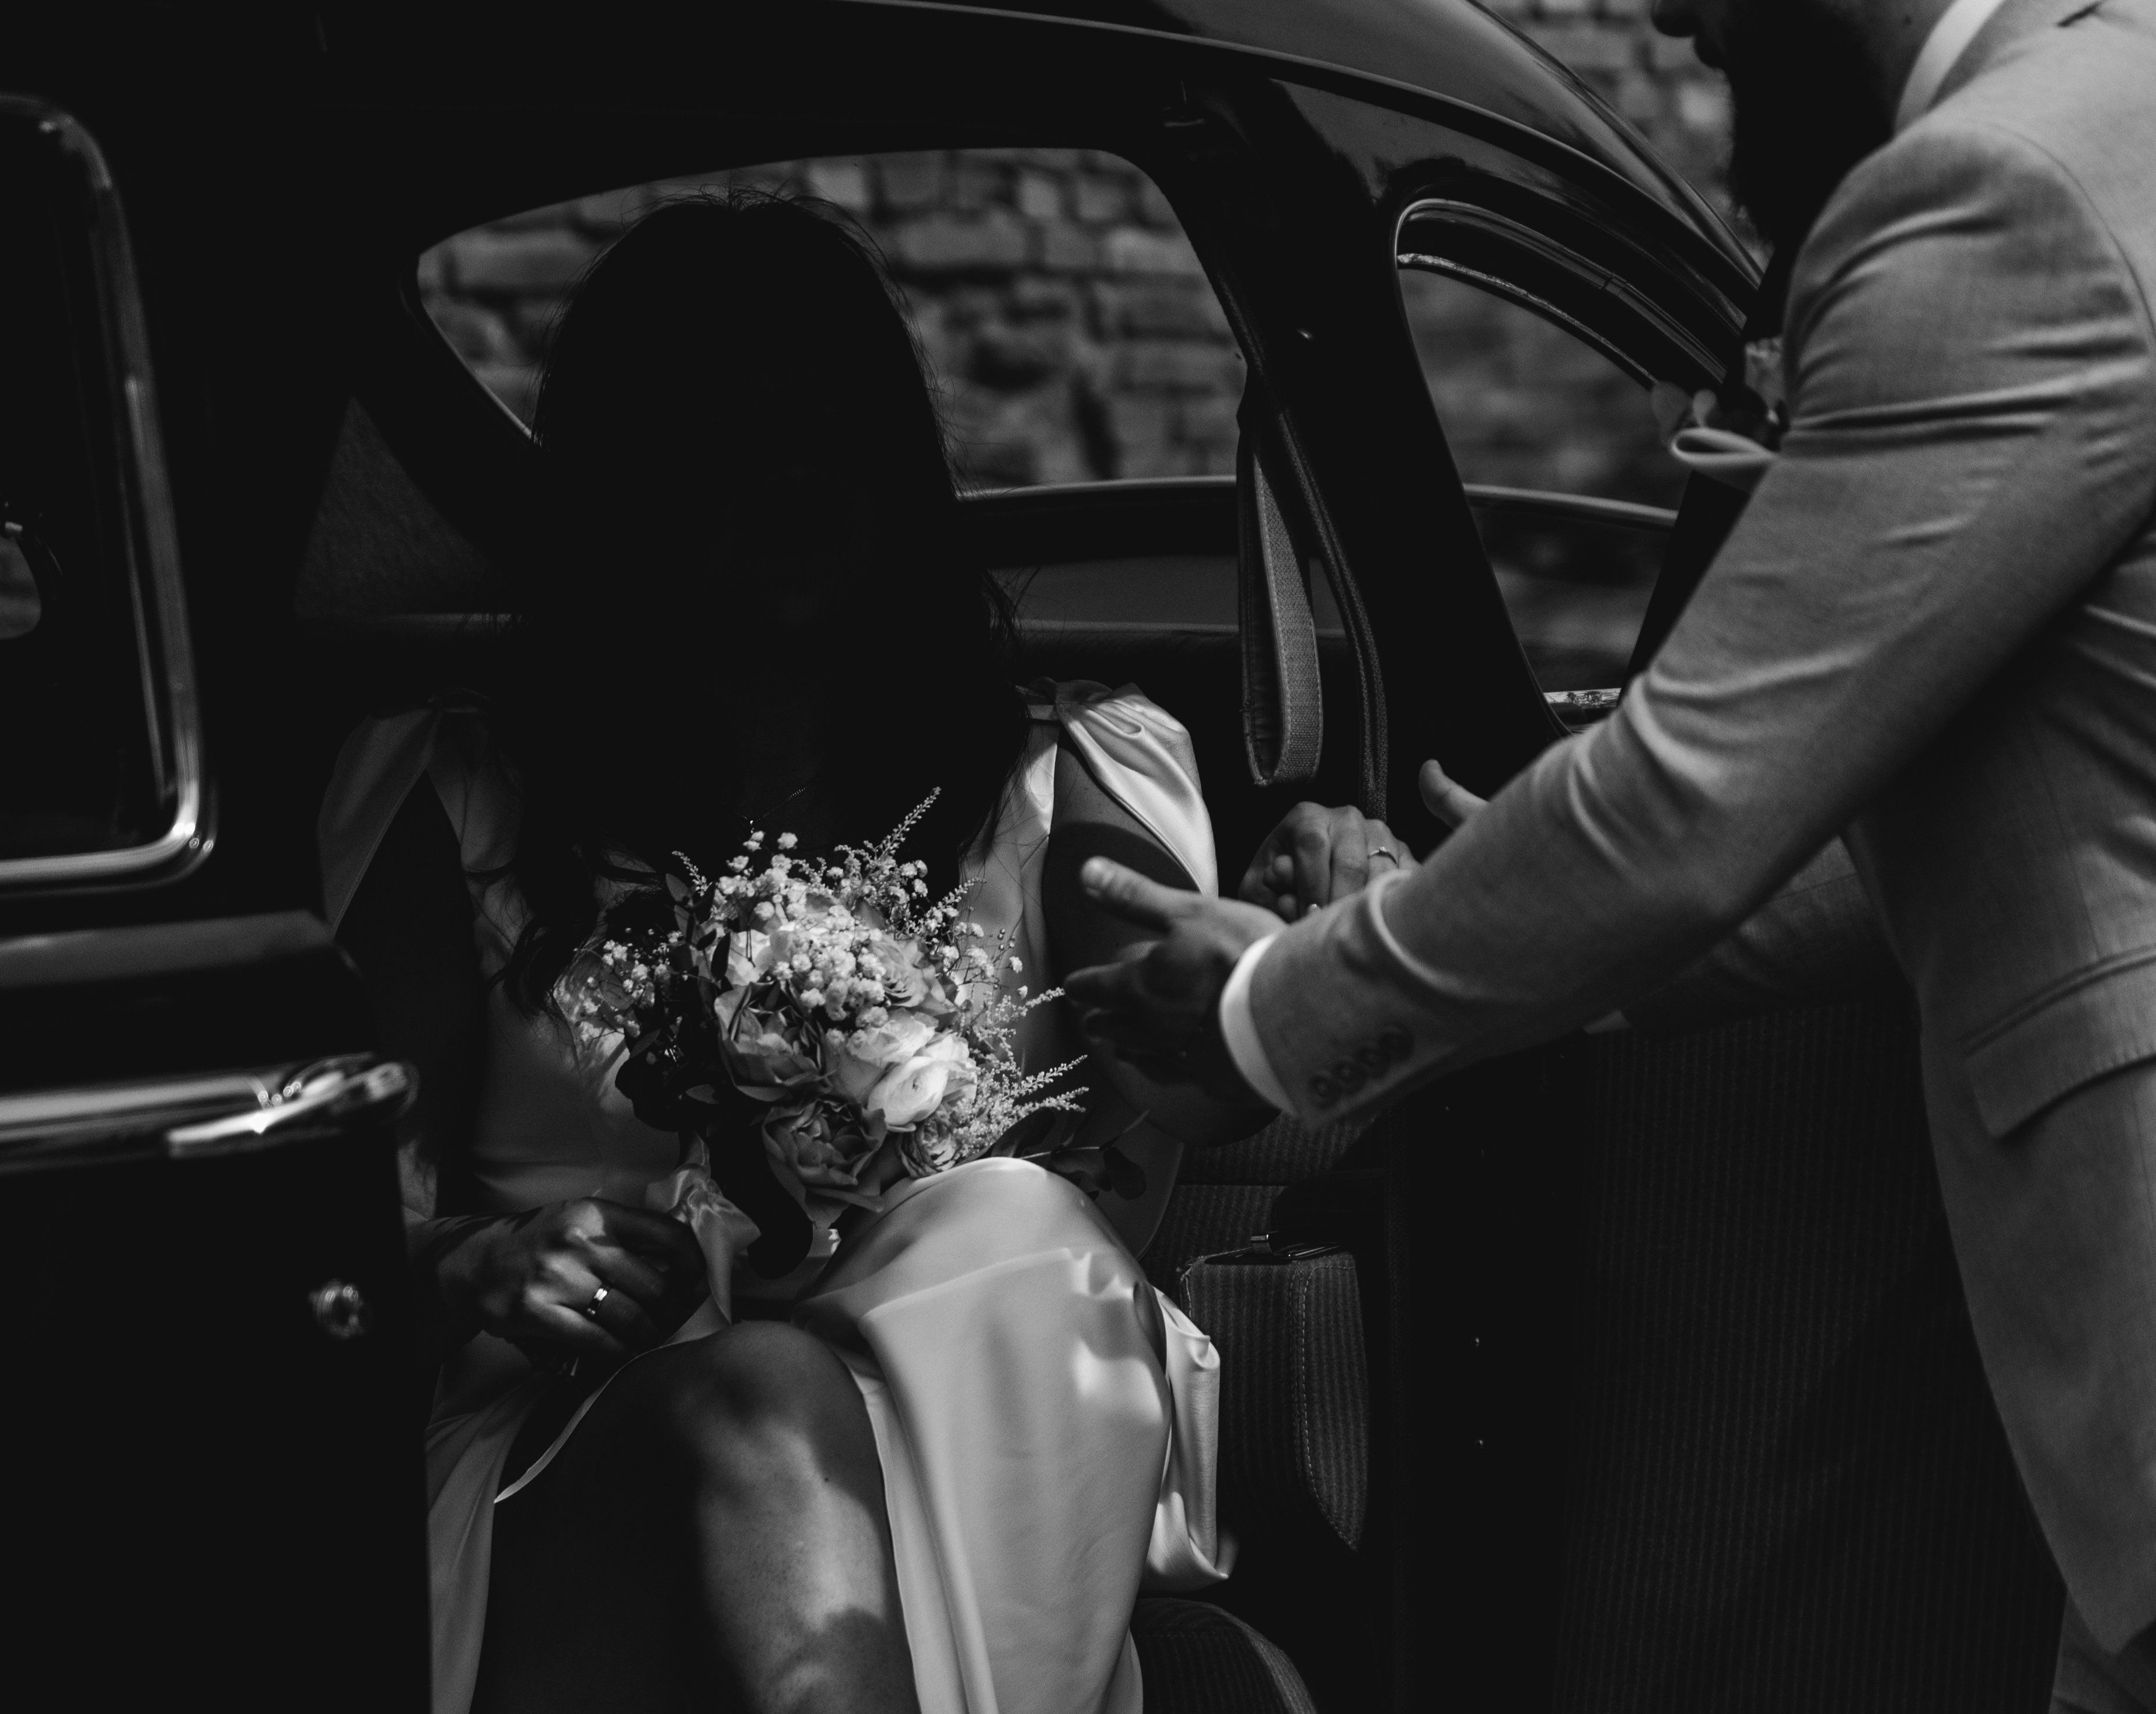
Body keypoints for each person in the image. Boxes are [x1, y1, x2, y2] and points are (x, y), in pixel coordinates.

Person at [1066, 1, 2156, 1709]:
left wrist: (1270, 1011)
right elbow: (1897, 846)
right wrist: (1471, 924)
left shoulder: (2010, 193)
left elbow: (1693, 800)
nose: (1673, 14)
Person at [317, 193, 1389, 1714]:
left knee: (1016, 1224)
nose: (794, 477)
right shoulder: (464, 795)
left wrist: (1314, 940)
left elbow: (1192, 1028)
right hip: (585, 1493)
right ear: (632, 479)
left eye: (834, 424)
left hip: (1003, 1469)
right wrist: (486, 1261)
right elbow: (315, 1228)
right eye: (728, 433)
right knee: (768, 1392)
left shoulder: (1069, 780)